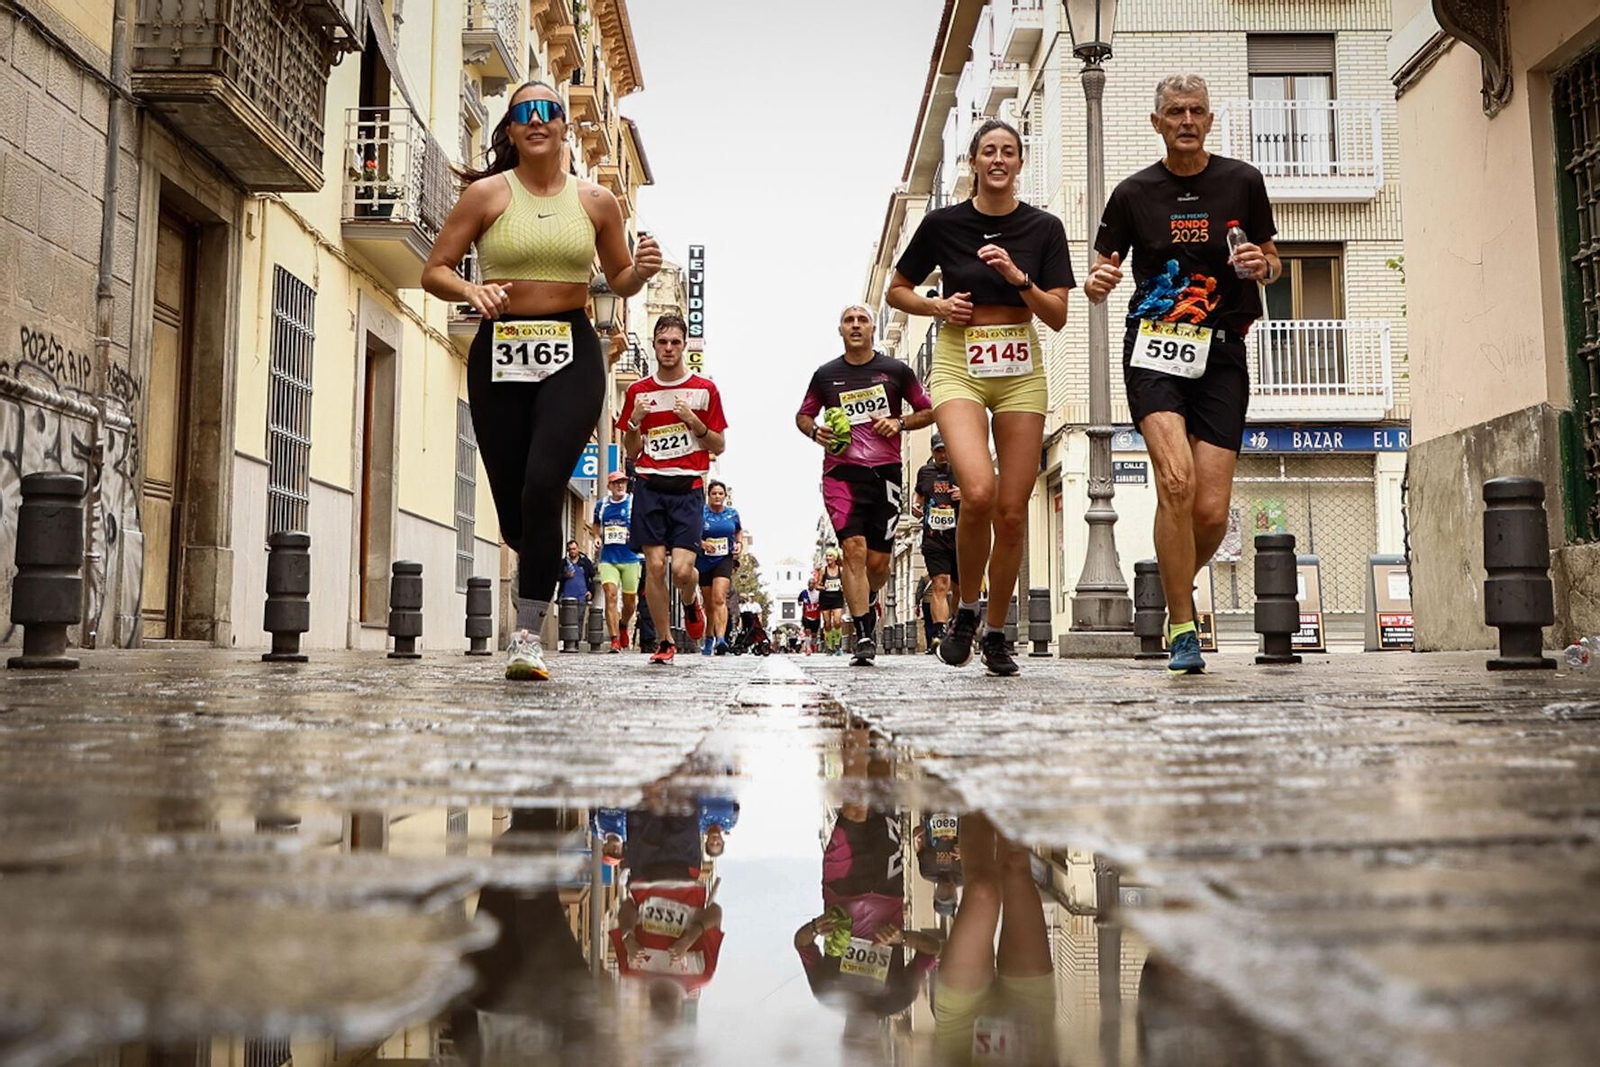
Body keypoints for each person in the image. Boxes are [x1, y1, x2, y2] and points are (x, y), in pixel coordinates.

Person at [423, 81, 660, 681]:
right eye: (523, 112)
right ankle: (535, 562)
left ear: (562, 126)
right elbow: (434, 270)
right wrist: (471, 289)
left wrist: (640, 272)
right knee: (516, 514)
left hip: (571, 350)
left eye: (547, 111)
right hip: (500, 350)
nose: (535, 119)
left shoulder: (597, 201)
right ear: (509, 128)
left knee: (545, 481)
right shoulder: (486, 195)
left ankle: (527, 635)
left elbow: (620, 279)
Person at [1084, 74, 1280, 676]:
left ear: (1210, 120)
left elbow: (1273, 260)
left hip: (1222, 352)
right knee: (1176, 482)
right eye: (1175, 112)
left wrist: (1263, 265)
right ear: (1157, 123)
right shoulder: (1132, 193)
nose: (1187, 120)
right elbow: (1101, 267)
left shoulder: (1243, 181)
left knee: (1211, 511)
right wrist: (1098, 281)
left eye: (1196, 110)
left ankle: (1170, 578)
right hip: (1155, 348)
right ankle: (1182, 624)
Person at [887, 118, 1076, 677]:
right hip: (959, 359)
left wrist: (1020, 279)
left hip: (1019, 362)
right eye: (988, 150)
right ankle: (966, 609)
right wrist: (937, 306)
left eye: (1008, 151)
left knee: (1012, 511)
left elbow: (1058, 316)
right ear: (972, 161)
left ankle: (994, 632)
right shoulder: (943, 224)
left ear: (1020, 162)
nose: (998, 159)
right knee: (977, 490)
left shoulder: (1044, 228)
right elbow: (897, 290)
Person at [796, 304, 937, 666]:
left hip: (885, 473)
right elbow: (803, 415)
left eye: (862, 320)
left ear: (873, 329)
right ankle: (863, 634)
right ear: (840, 330)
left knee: (878, 563)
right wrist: (815, 431)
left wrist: (899, 423)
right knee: (853, 550)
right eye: (849, 320)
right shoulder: (826, 375)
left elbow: (929, 410)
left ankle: (869, 598)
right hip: (841, 474)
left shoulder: (896, 371)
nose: (856, 325)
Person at [620, 313, 729, 665]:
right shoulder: (638, 392)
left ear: (684, 345)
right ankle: (664, 641)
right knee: (654, 566)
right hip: (649, 485)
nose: (668, 348)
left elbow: (719, 444)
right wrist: (635, 421)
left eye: (675, 342)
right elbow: (631, 450)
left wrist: (694, 421)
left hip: (688, 487)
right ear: (654, 345)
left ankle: (690, 600)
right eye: (662, 342)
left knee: (682, 571)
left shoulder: (704, 390)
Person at [931, 814, 1056, 1065]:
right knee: (1016, 865)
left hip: (961, 1034)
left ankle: (976, 794)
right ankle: (1008, 794)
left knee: (982, 890)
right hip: (1028, 1025)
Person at [912, 432, 961, 653]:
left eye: (946, 450)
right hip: (934, 538)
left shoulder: (962, 469)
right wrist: (915, 505)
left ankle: (957, 630)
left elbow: (981, 492)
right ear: (932, 452)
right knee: (940, 584)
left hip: (960, 537)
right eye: (939, 451)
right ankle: (940, 633)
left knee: (960, 589)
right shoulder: (925, 472)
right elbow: (918, 494)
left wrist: (965, 494)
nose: (943, 455)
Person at [591, 470, 642, 652]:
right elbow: (596, 524)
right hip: (608, 559)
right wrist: (597, 537)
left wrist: (635, 535)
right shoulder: (602, 504)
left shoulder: (634, 503)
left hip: (630, 558)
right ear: (609, 486)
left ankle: (623, 624)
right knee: (610, 595)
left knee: (630, 602)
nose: (620, 485)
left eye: (623, 482)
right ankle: (614, 640)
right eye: (616, 483)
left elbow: (644, 523)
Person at [696, 480, 743, 655]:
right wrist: (702, 544)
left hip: (724, 559)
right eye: (714, 493)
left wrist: (739, 543)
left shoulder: (732, 514)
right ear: (709, 495)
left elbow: (738, 531)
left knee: (719, 598)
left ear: (725, 496)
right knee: (709, 604)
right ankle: (709, 637)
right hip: (704, 560)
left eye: (720, 493)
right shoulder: (700, 512)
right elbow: (690, 532)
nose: (717, 496)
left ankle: (721, 639)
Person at [815, 548, 846, 654]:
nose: (828, 558)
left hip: (837, 598)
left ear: (835, 558)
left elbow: (846, 584)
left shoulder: (841, 570)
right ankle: (829, 646)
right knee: (827, 623)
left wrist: (843, 587)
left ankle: (837, 643)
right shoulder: (823, 570)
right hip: (825, 598)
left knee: (837, 621)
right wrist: (824, 587)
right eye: (827, 556)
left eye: (830, 556)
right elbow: (817, 585)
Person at [558, 539, 596, 606]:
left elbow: (593, 577)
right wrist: (565, 576)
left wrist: (591, 592)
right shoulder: (563, 562)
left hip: (582, 598)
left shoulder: (585, 562)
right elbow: (556, 577)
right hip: (566, 599)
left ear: (578, 549)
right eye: (570, 549)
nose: (572, 551)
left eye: (574, 549)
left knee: (580, 613)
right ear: (567, 550)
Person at [799, 577, 822, 654]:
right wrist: (800, 603)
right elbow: (799, 600)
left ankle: (812, 645)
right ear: (807, 584)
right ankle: (808, 648)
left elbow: (822, 603)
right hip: (806, 615)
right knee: (807, 631)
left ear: (815, 585)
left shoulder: (818, 593)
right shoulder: (804, 592)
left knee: (814, 634)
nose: (811, 585)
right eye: (809, 583)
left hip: (816, 616)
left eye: (812, 583)